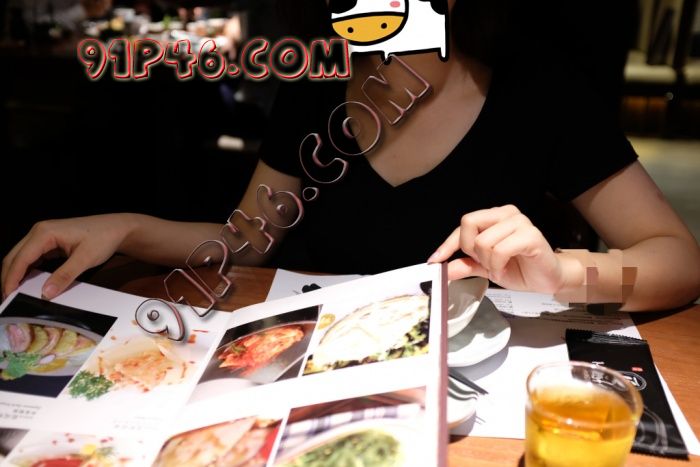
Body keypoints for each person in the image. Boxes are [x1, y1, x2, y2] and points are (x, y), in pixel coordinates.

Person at [2, 0, 700, 312]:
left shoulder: (538, 89)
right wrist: (124, 226)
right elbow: (246, 242)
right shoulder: (316, 87)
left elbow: (677, 261)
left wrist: (562, 273)